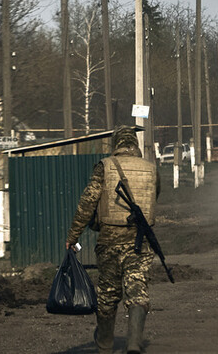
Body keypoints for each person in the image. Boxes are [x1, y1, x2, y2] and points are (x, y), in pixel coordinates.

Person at [65, 126, 160, 354]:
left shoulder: (105, 166)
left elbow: (88, 202)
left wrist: (73, 236)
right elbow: (154, 196)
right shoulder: (151, 169)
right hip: (140, 240)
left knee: (107, 294)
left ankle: (105, 345)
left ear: (116, 144)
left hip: (109, 241)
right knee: (137, 290)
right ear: (134, 144)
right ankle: (134, 343)